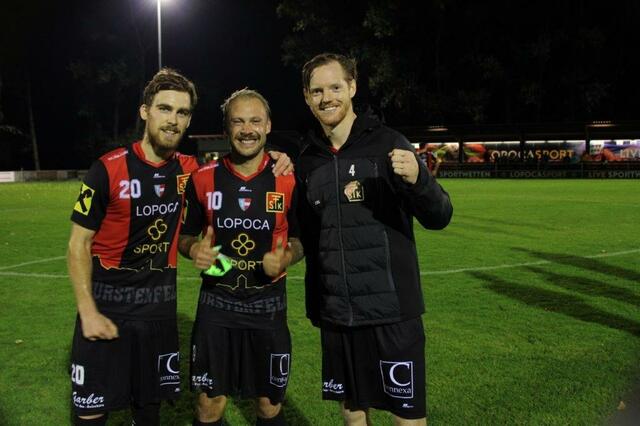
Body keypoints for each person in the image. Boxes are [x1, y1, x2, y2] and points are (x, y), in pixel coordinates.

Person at [67, 70, 292, 426]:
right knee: (91, 412)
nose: (173, 120)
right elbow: (77, 244)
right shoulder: (106, 169)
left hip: (159, 314)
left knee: (148, 412)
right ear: (145, 111)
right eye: (165, 109)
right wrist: (88, 311)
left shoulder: (191, 171)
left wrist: (277, 157)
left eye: (182, 112)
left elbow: (238, 167)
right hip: (107, 309)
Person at [296, 53, 453, 425]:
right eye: (316, 90)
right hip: (338, 314)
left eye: (335, 87)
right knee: (352, 415)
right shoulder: (307, 159)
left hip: (392, 312)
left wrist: (419, 179)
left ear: (352, 87)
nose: (326, 97)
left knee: (408, 418)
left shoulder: (388, 143)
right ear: (306, 97)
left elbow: (440, 216)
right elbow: (306, 235)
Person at [178, 89, 303, 426]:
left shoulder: (288, 178)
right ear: (226, 129)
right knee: (209, 404)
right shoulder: (204, 179)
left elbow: (300, 238)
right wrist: (194, 249)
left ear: (268, 126)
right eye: (238, 121)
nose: (247, 129)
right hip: (217, 304)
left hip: (268, 305)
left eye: (255, 121)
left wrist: (287, 256)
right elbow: (185, 234)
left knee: (268, 404)